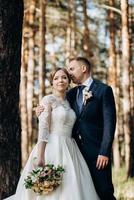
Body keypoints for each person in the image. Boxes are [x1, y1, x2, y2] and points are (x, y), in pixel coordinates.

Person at [4, 68, 99, 200]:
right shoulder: (47, 100)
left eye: (64, 77)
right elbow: (44, 129)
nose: (60, 80)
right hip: (51, 146)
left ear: (68, 81)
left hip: (70, 148)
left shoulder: (70, 101)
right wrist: (40, 155)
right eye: (56, 78)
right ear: (52, 83)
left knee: (71, 185)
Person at [37, 57, 117, 200]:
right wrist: (40, 112)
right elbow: (55, 113)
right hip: (74, 153)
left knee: (104, 191)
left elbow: (110, 124)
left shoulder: (103, 90)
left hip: (97, 153)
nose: (69, 73)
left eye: (72, 69)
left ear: (84, 69)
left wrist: (104, 151)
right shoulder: (71, 94)